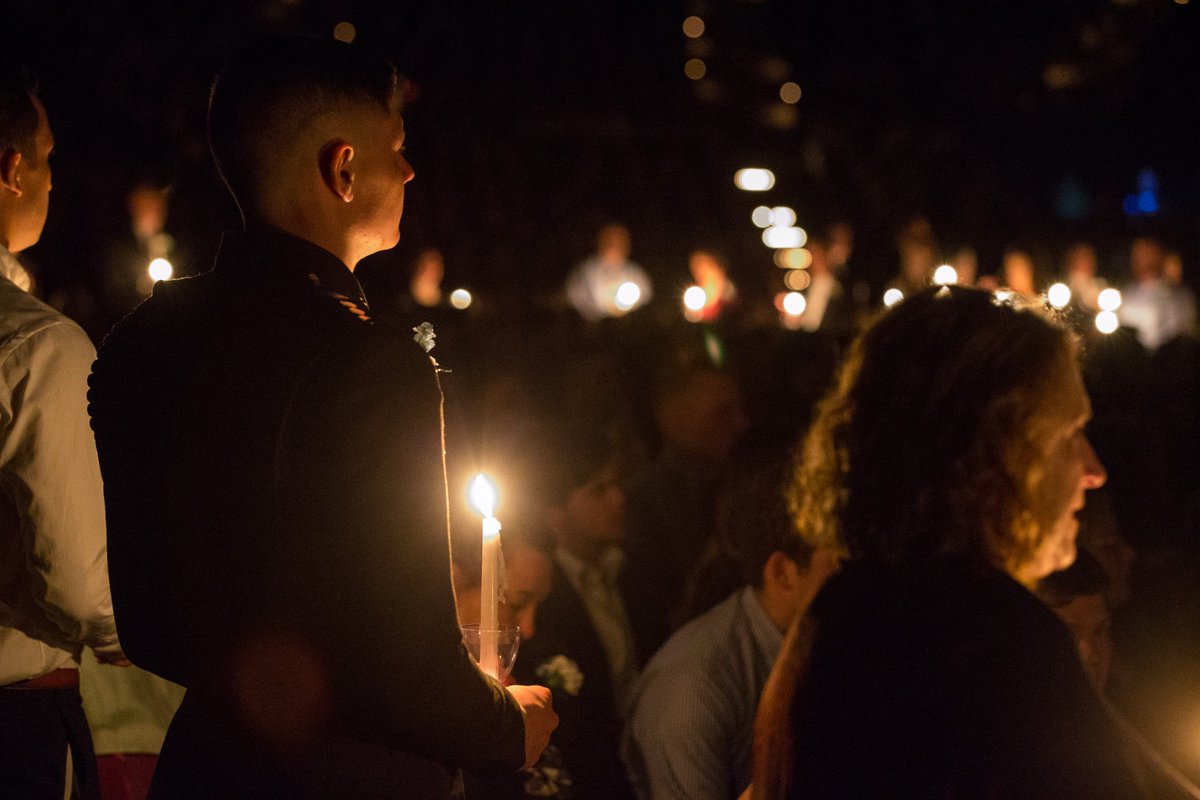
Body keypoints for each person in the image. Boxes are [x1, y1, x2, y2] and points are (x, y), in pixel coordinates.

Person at [88, 37, 554, 798]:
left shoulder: (144, 340)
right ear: (343, 168)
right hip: (352, 771)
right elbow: (410, 666)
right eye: (397, 150)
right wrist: (507, 725)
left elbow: (146, 625)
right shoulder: (368, 363)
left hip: (207, 765)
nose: (409, 171)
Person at [752, 286, 1142, 799]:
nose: (1094, 471)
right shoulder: (992, 643)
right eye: (1069, 435)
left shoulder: (843, 616)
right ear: (991, 454)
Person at [0, 62, 127, 799]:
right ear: (14, 168)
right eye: (47, 158)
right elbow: (78, 588)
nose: (52, 179)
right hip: (15, 720)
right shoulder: (38, 348)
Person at [623, 463, 837, 800]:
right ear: (783, 572)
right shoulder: (692, 686)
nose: (859, 577)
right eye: (839, 565)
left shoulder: (837, 645)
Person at [565, 223, 653, 321]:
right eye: (611, 240)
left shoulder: (636, 273)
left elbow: (646, 298)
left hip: (628, 327)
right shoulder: (585, 271)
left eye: (621, 241)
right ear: (601, 241)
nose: (615, 245)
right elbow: (575, 299)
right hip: (592, 327)